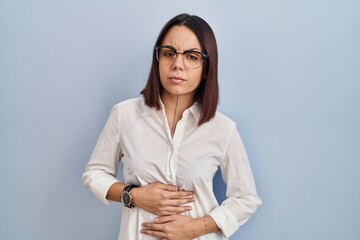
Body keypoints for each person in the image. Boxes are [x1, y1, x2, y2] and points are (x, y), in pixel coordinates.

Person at [82, 13, 261, 240]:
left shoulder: (223, 129)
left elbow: (247, 198)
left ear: (206, 68)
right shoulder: (124, 115)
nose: (177, 64)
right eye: (169, 54)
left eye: (192, 56)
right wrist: (133, 195)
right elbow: (94, 173)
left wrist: (196, 227)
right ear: (158, 60)